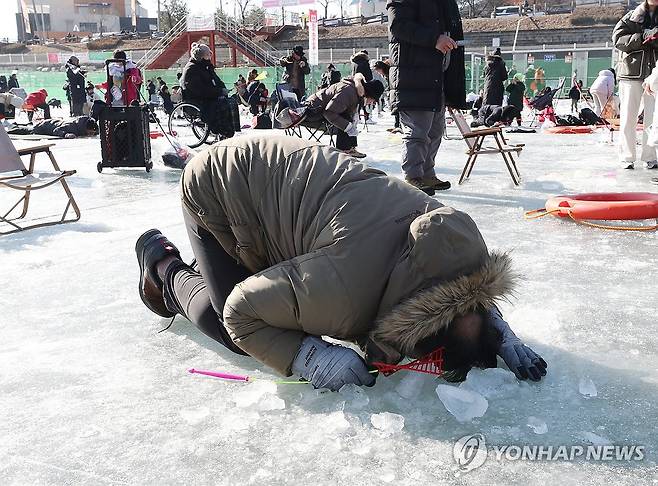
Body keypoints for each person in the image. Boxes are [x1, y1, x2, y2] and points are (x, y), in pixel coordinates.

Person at [134, 135, 548, 392]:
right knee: (229, 326)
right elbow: (241, 313)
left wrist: (498, 333)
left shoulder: (451, 237)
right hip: (221, 186)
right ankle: (162, 266)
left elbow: (459, 289)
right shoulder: (342, 291)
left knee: (285, 299)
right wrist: (306, 358)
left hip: (285, 174)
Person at [388, 0, 467, 194]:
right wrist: (434, 39)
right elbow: (398, 26)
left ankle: (427, 174)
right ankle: (413, 176)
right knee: (417, 132)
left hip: (436, 76)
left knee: (435, 131)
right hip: (413, 76)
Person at [613, 0, 658, 170]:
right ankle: (627, 156)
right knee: (628, 117)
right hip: (631, 73)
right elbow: (618, 39)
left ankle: (651, 156)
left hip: (654, 75)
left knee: (653, 119)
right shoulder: (631, 17)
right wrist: (642, 38)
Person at [304, 73, 385, 158]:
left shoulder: (354, 91)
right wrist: (348, 127)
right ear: (369, 94)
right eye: (373, 99)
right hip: (312, 111)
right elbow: (329, 112)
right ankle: (345, 149)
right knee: (345, 119)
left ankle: (350, 148)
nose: (372, 103)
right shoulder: (349, 91)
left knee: (349, 117)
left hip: (319, 110)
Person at [180, 42, 234, 139]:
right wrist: (218, 92)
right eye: (208, 55)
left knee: (231, 102)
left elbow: (217, 81)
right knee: (221, 104)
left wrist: (222, 89)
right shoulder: (191, 69)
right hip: (197, 100)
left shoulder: (206, 67)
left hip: (208, 96)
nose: (210, 57)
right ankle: (222, 131)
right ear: (201, 56)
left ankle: (228, 131)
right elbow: (199, 89)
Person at [7, 116, 98, 139]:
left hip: (48, 124)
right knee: (27, 130)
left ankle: (17, 125)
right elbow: (56, 130)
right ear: (85, 128)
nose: (90, 134)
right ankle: (9, 130)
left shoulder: (85, 125)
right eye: (90, 132)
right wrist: (66, 134)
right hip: (45, 126)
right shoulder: (72, 126)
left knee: (29, 128)